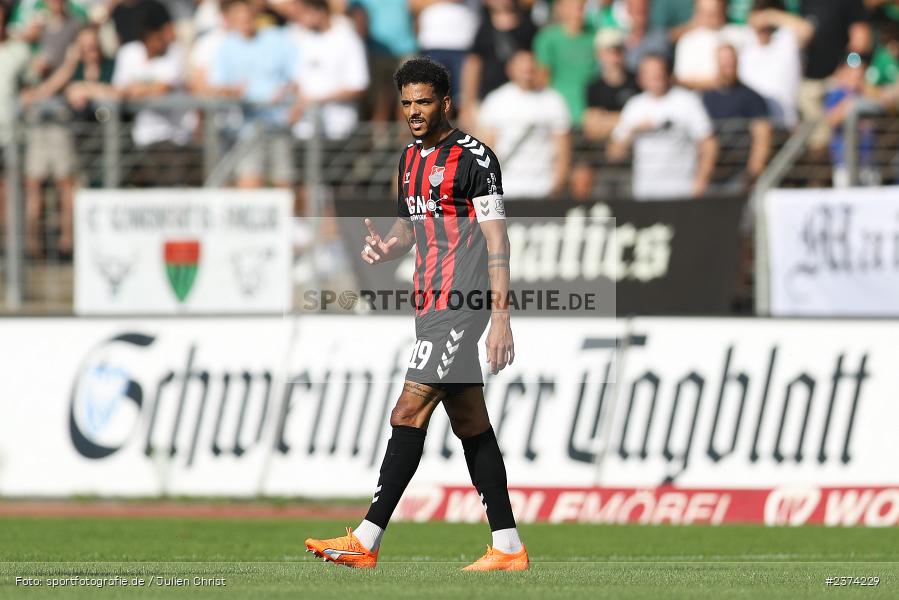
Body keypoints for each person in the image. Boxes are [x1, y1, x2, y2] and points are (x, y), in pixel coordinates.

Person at [304, 57, 527, 572]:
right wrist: (388, 247)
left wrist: (500, 317)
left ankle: (366, 538)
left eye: (423, 101)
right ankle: (509, 547)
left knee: (408, 412)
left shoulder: (476, 159)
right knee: (471, 423)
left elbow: (497, 237)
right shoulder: (407, 158)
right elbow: (412, 226)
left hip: (460, 304)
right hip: (427, 304)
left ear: (445, 102)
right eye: (406, 103)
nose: (413, 112)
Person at [210, 0, 297, 188]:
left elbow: (295, 78)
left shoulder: (276, 39)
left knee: (284, 181)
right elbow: (218, 87)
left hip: (277, 123)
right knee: (249, 181)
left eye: (248, 16)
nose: (245, 21)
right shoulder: (225, 48)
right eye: (239, 17)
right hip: (246, 129)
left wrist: (288, 96)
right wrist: (234, 91)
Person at [608, 54, 718, 200]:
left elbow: (709, 143)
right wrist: (633, 130)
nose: (656, 76)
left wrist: (701, 181)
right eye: (650, 73)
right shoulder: (635, 106)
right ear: (641, 78)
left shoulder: (687, 101)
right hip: (645, 193)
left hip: (682, 191)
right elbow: (614, 154)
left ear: (667, 73)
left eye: (659, 71)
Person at [112, 0, 197, 185]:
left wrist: (137, 89)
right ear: (148, 35)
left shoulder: (175, 52)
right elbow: (119, 90)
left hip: (176, 138)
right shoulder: (129, 53)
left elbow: (164, 87)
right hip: (144, 139)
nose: (167, 37)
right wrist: (142, 89)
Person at [477, 49, 571, 198]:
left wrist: (557, 184)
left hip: (544, 188)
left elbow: (562, 149)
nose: (527, 71)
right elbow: (487, 149)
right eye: (522, 67)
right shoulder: (495, 101)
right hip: (505, 189)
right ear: (510, 70)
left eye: (530, 67)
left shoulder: (554, 100)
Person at [288, 0, 369, 141]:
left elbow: (358, 87)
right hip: (305, 130)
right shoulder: (304, 40)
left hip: (337, 129)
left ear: (320, 13)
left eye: (305, 14)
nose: (300, 19)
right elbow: (298, 81)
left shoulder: (348, 40)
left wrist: (317, 101)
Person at [702, 44, 772, 190]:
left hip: (740, 176)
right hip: (710, 174)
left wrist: (753, 173)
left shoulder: (752, 98)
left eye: (731, 59)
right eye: (723, 60)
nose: (728, 64)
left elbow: (762, 137)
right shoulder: (705, 98)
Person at [459, 0, 537, 130]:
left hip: (523, 100)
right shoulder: (482, 28)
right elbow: (473, 66)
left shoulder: (528, 27)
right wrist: (467, 105)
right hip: (486, 100)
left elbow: (537, 64)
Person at [738, 0, 811, 129]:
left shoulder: (786, 39)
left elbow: (806, 30)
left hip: (785, 124)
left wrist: (769, 15)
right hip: (751, 127)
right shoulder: (743, 39)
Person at [533, 0, 596, 125]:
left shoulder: (595, 35)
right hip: (559, 113)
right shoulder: (547, 38)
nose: (578, 9)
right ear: (560, 8)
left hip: (591, 111)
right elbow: (542, 77)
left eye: (581, 5)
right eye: (573, 5)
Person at [825, 53, 881, 187]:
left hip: (868, 163)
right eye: (852, 71)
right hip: (844, 164)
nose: (856, 76)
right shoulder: (836, 94)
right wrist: (850, 103)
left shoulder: (867, 93)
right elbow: (831, 120)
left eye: (860, 72)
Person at [673, 0, 754, 90]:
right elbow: (682, 79)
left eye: (715, 11)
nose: (711, 17)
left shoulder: (739, 34)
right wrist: (717, 82)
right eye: (706, 12)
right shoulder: (688, 41)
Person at [583, 27, 640, 140]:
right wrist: (627, 121)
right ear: (599, 55)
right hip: (602, 151)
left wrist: (605, 119)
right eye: (608, 52)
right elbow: (592, 129)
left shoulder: (638, 81)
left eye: (618, 52)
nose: (614, 58)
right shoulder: (593, 87)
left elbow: (645, 119)